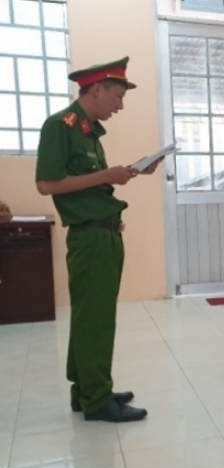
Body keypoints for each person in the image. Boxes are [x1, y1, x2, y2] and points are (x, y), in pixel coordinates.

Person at [35, 57, 161, 423]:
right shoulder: (60, 126)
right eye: (117, 96)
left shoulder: (88, 131)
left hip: (103, 232)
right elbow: (46, 184)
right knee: (96, 320)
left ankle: (87, 390)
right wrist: (106, 175)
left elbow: (88, 182)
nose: (120, 105)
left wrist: (129, 171)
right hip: (90, 235)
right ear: (96, 90)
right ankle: (97, 399)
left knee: (92, 316)